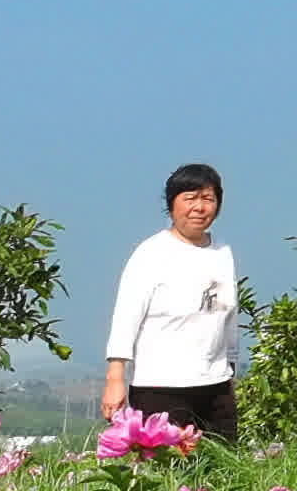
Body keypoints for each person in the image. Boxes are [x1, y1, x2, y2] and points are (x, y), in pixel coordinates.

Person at [104, 164, 243, 444]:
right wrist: (114, 378)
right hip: (161, 386)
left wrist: (231, 367)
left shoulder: (222, 251)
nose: (199, 208)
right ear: (171, 205)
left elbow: (227, 315)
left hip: (215, 385)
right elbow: (126, 318)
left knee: (223, 470)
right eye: (190, 198)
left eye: (208, 199)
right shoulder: (151, 254)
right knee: (168, 474)